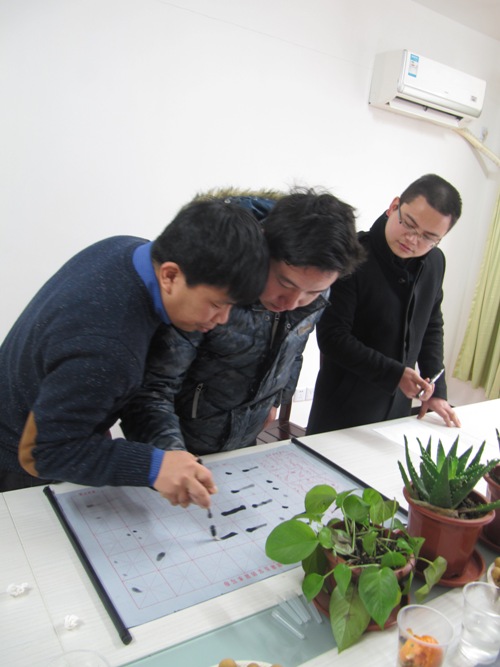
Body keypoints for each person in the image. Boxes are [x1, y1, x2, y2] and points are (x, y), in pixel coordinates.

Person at [0, 199, 270, 506]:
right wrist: (154, 466)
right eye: (217, 304)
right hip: (17, 460)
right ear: (170, 276)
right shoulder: (109, 346)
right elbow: (44, 453)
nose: (222, 319)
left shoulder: (126, 248)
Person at [120, 188, 365, 455]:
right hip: (178, 444)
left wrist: (276, 399)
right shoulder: (212, 283)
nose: (293, 302)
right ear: (263, 249)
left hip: (242, 441)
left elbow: (294, 349)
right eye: (285, 283)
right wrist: (172, 457)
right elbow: (153, 390)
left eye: (313, 292)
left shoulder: (314, 290)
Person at [306, 174, 462, 435]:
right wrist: (395, 374)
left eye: (428, 237)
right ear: (394, 206)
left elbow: (431, 325)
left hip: (396, 411)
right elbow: (332, 337)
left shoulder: (435, 262)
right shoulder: (352, 255)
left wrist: (438, 389)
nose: (413, 240)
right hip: (342, 410)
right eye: (409, 224)